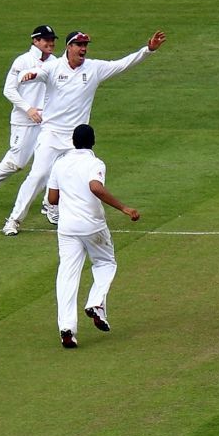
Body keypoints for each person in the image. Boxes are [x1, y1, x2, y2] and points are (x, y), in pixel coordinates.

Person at [3, 29, 166, 235]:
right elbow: (40, 73)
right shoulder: (54, 67)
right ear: (69, 47)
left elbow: (122, 64)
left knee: (81, 177)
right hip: (52, 133)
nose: (83, 49)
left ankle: (58, 210)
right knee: (38, 176)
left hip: (77, 139)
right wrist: (32, 74)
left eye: (85, 45)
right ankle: (14, 220)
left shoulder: (94, 68)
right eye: (79, 45)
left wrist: (148, 50)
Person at [45, 123, 138, 350]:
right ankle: (96, 303)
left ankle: (67, 329)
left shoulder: (60, 163)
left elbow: (52, 198)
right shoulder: (95, 163)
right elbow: (96, 188)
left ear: (73, 142)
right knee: (105, 262)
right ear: (93, 141)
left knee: (67, 275)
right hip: (92, 226)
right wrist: (124, 208)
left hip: (67, 228)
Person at [0, 24, 58, 203]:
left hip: (47, 121)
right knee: (18, 163)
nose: (51, 43)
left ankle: (49, 204)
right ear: (35, 41)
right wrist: (28, 109)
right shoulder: (22, 61)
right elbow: (9, 90)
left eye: (52, 40)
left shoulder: (55, 62)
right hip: (24, 121)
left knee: (51, 163)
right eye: (46, 40)